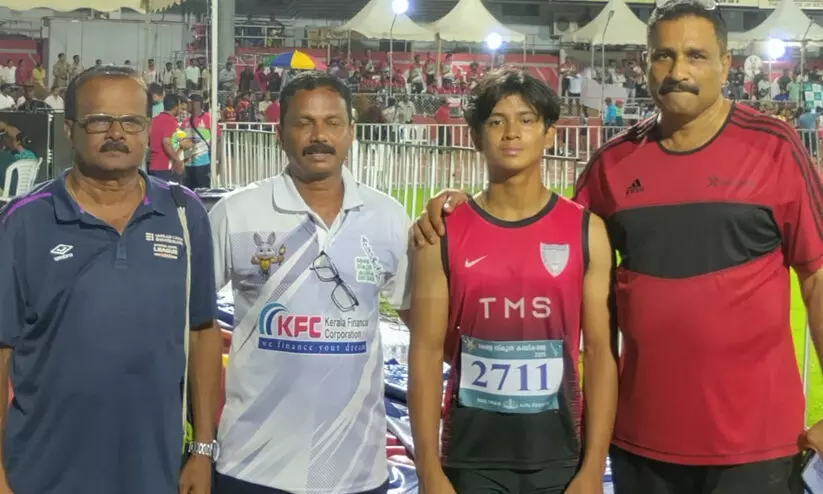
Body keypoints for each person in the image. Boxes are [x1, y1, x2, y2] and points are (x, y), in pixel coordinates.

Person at [411, 2, 823, 493]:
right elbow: (542, 225)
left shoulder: (774, 147)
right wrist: (466, 203)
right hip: (640, 440)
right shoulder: (614, 163)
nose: (678, 71)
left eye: (696, 56)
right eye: (663, 56)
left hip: (757, 442)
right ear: (645, 63)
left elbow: (817, 276)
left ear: (726, 64)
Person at [0, 65, 222, 494]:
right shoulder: (24, 222)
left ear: (147, 128)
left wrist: (202, 450)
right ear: (70, 129)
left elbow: (203, 332)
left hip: (156, 470)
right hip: (43, 473)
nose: (116, 133)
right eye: (99, 120)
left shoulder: (184, 214)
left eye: (132, 121)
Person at [408, 69, 617, 494]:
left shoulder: (585, 231)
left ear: (550, 134)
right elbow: (426, 355)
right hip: (470, 459)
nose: (511, 132)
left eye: (526, 119)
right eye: (496, 120)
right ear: (475, 135)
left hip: (560, 458)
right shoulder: (442, 234)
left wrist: (593, 468)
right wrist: (429, 470)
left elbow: (598, 354)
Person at [210, 71, 411, 494]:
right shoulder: (236, 213)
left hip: (357, 471)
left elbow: (427, 331)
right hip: (250, 467)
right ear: (279, 134)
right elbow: (193, 325)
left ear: (352, 132)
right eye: (304, 123)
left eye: (332, 122)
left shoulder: (389, 218)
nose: (319, 135)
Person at [149, 93, 189, 182]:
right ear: (175, 107)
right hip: (166, 166)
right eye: (179, 106)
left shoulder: (155, 120)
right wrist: (177, 160)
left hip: (153, 165)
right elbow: (166, 142)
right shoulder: (170, 121)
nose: (180, 109)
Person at [181, 93, 216, 190]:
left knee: (203, 193)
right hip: (187, 165)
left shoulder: (209, 119)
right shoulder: (185, 122)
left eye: (189, 103)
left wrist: (217, 161)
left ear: (196, 104)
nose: (187, 106)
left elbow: (218, 139)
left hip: (203, 164)